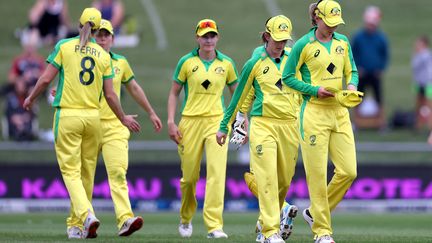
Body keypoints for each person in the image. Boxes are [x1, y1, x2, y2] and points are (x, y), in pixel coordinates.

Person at [23, 8, 140, 239]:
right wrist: (123, 117)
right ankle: (77, 227)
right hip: (93, 119)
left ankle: (86, 215)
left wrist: (31, 97)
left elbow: (46, 78)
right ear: (96, 31)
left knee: (70, 170)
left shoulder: (64, 46)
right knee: (86, 172)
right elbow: (110, 95)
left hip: (68, 116)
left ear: (78, 25)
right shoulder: (104, 56)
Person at [217, 15, 299, 243]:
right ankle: (271, 231)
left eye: (284, 40)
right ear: (266, 36)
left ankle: (265, 224)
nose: (281, 45)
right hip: (263, 124)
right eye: (277, 40)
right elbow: (240, 97)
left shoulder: (294, 58)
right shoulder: (254, 62)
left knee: (284, 181)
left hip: (290, 125)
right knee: (267, 179)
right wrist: (227, 125)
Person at [281, 1, 359, 242]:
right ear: (317, 18)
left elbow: (352, 70)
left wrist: (351, 87)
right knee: (316, 175)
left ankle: (314, 213)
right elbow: (287, 77)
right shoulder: (304, 44)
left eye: (337, 23)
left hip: (340, 112)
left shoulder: (343, 42)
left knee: (349, 171)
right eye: (329, 22)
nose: (333, 27)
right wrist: (314, 90)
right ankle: (322, 232)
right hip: (313, 113)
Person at [167, 19, 238, 239]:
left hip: (217, 122)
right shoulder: (187, 62)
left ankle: (214, 225)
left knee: (217, 173)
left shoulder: (226, 63)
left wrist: (236, 120)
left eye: (212, 36)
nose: (209, 40)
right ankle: (186, 218)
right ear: (197, 38)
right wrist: (171, 121)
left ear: (217, 38)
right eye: (205, 36)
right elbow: (174, 93)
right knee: (189, 178)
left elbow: (236, 94)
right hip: (189, 122)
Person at [95, 19, 162, 236]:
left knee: (117, 173)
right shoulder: (83, 60)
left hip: (115, 125)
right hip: (88, 124)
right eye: (98, 34)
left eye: (106, 35)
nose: (102, 39)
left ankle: (125, 219)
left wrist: (151, 112)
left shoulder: (120, 62)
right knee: (83, 176)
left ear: (113, 39)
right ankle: (78, 222)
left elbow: (133, 87)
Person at [351, 5, 389, 129]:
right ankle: (356, 122)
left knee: (379, 98)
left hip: (375, 73)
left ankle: (381, 123)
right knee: (357, 98)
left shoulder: (381, 38)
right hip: (362, 72)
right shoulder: (358, 37)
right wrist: (357, 68)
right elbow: (352, 54)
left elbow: (385, 55)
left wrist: (381, 68)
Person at [3, 30, 45, 96]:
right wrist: (22, 78)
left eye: (32, 47)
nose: (30, 49)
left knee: (33, 89)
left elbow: (45, 76)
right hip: (21, 84)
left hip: (35, 84)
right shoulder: (18, 60)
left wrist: (36, 74)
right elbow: (11, 77)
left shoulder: (39, 60)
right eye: (28, 46)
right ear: (24, 47)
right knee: (20, 85)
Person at [411, 36, 432, 130]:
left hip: (428, 84)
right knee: (418, 104)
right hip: (418, 83)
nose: (417, 45)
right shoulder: (417, 55)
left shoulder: (426, 55)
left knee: (428, 105)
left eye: (419, 43)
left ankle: (429, 125)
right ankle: (418, 125)